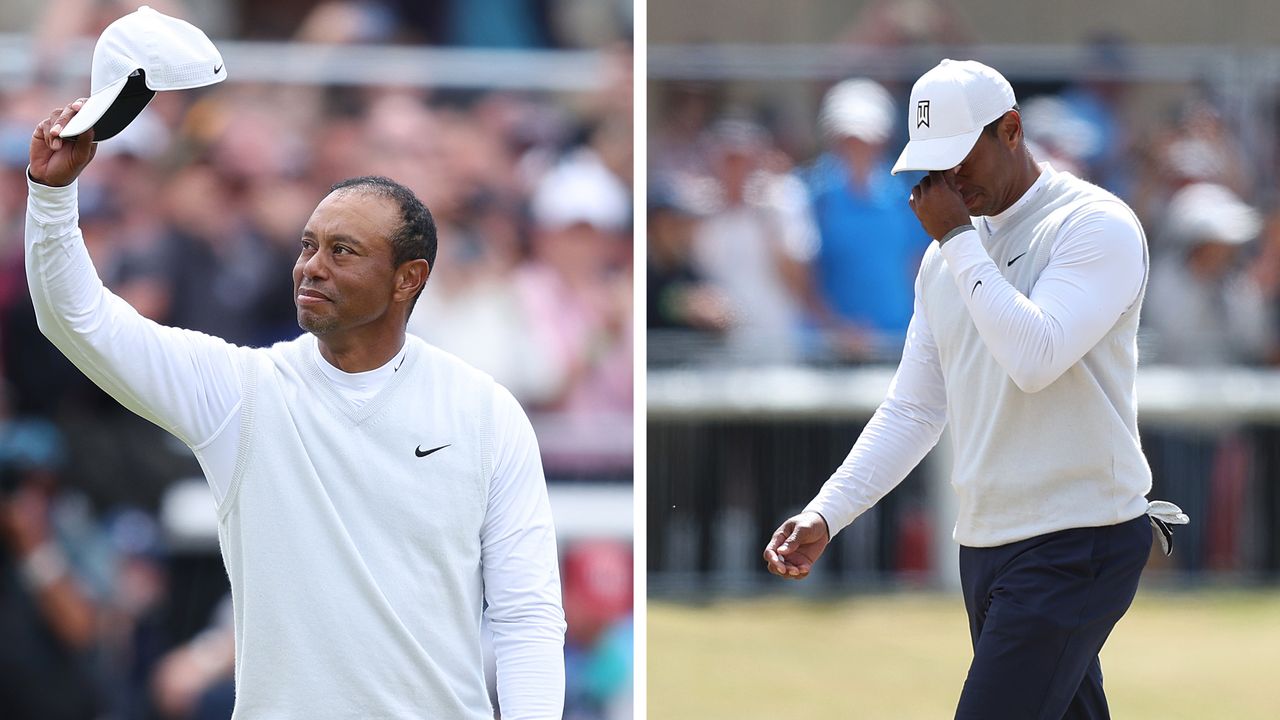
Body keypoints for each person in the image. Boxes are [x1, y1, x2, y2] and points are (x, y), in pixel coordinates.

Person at [27, 99, 565, 719]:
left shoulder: (484, 412)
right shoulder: (241, 392)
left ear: (407, 279)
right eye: (308, 245)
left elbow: (526, 613)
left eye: (343, 251)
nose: (311, 267)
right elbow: (78, 321)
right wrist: (51, 195)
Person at [763, 59, 1182, 719]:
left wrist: (958, 239)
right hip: (988, 541)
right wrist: (827, 511)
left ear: (1011, 130)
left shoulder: (1092, 224)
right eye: (932, 165)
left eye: (958, 158)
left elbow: (1036, 355)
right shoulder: (943, 255)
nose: (947, 181)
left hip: (1080, 534)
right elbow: (915, 407)